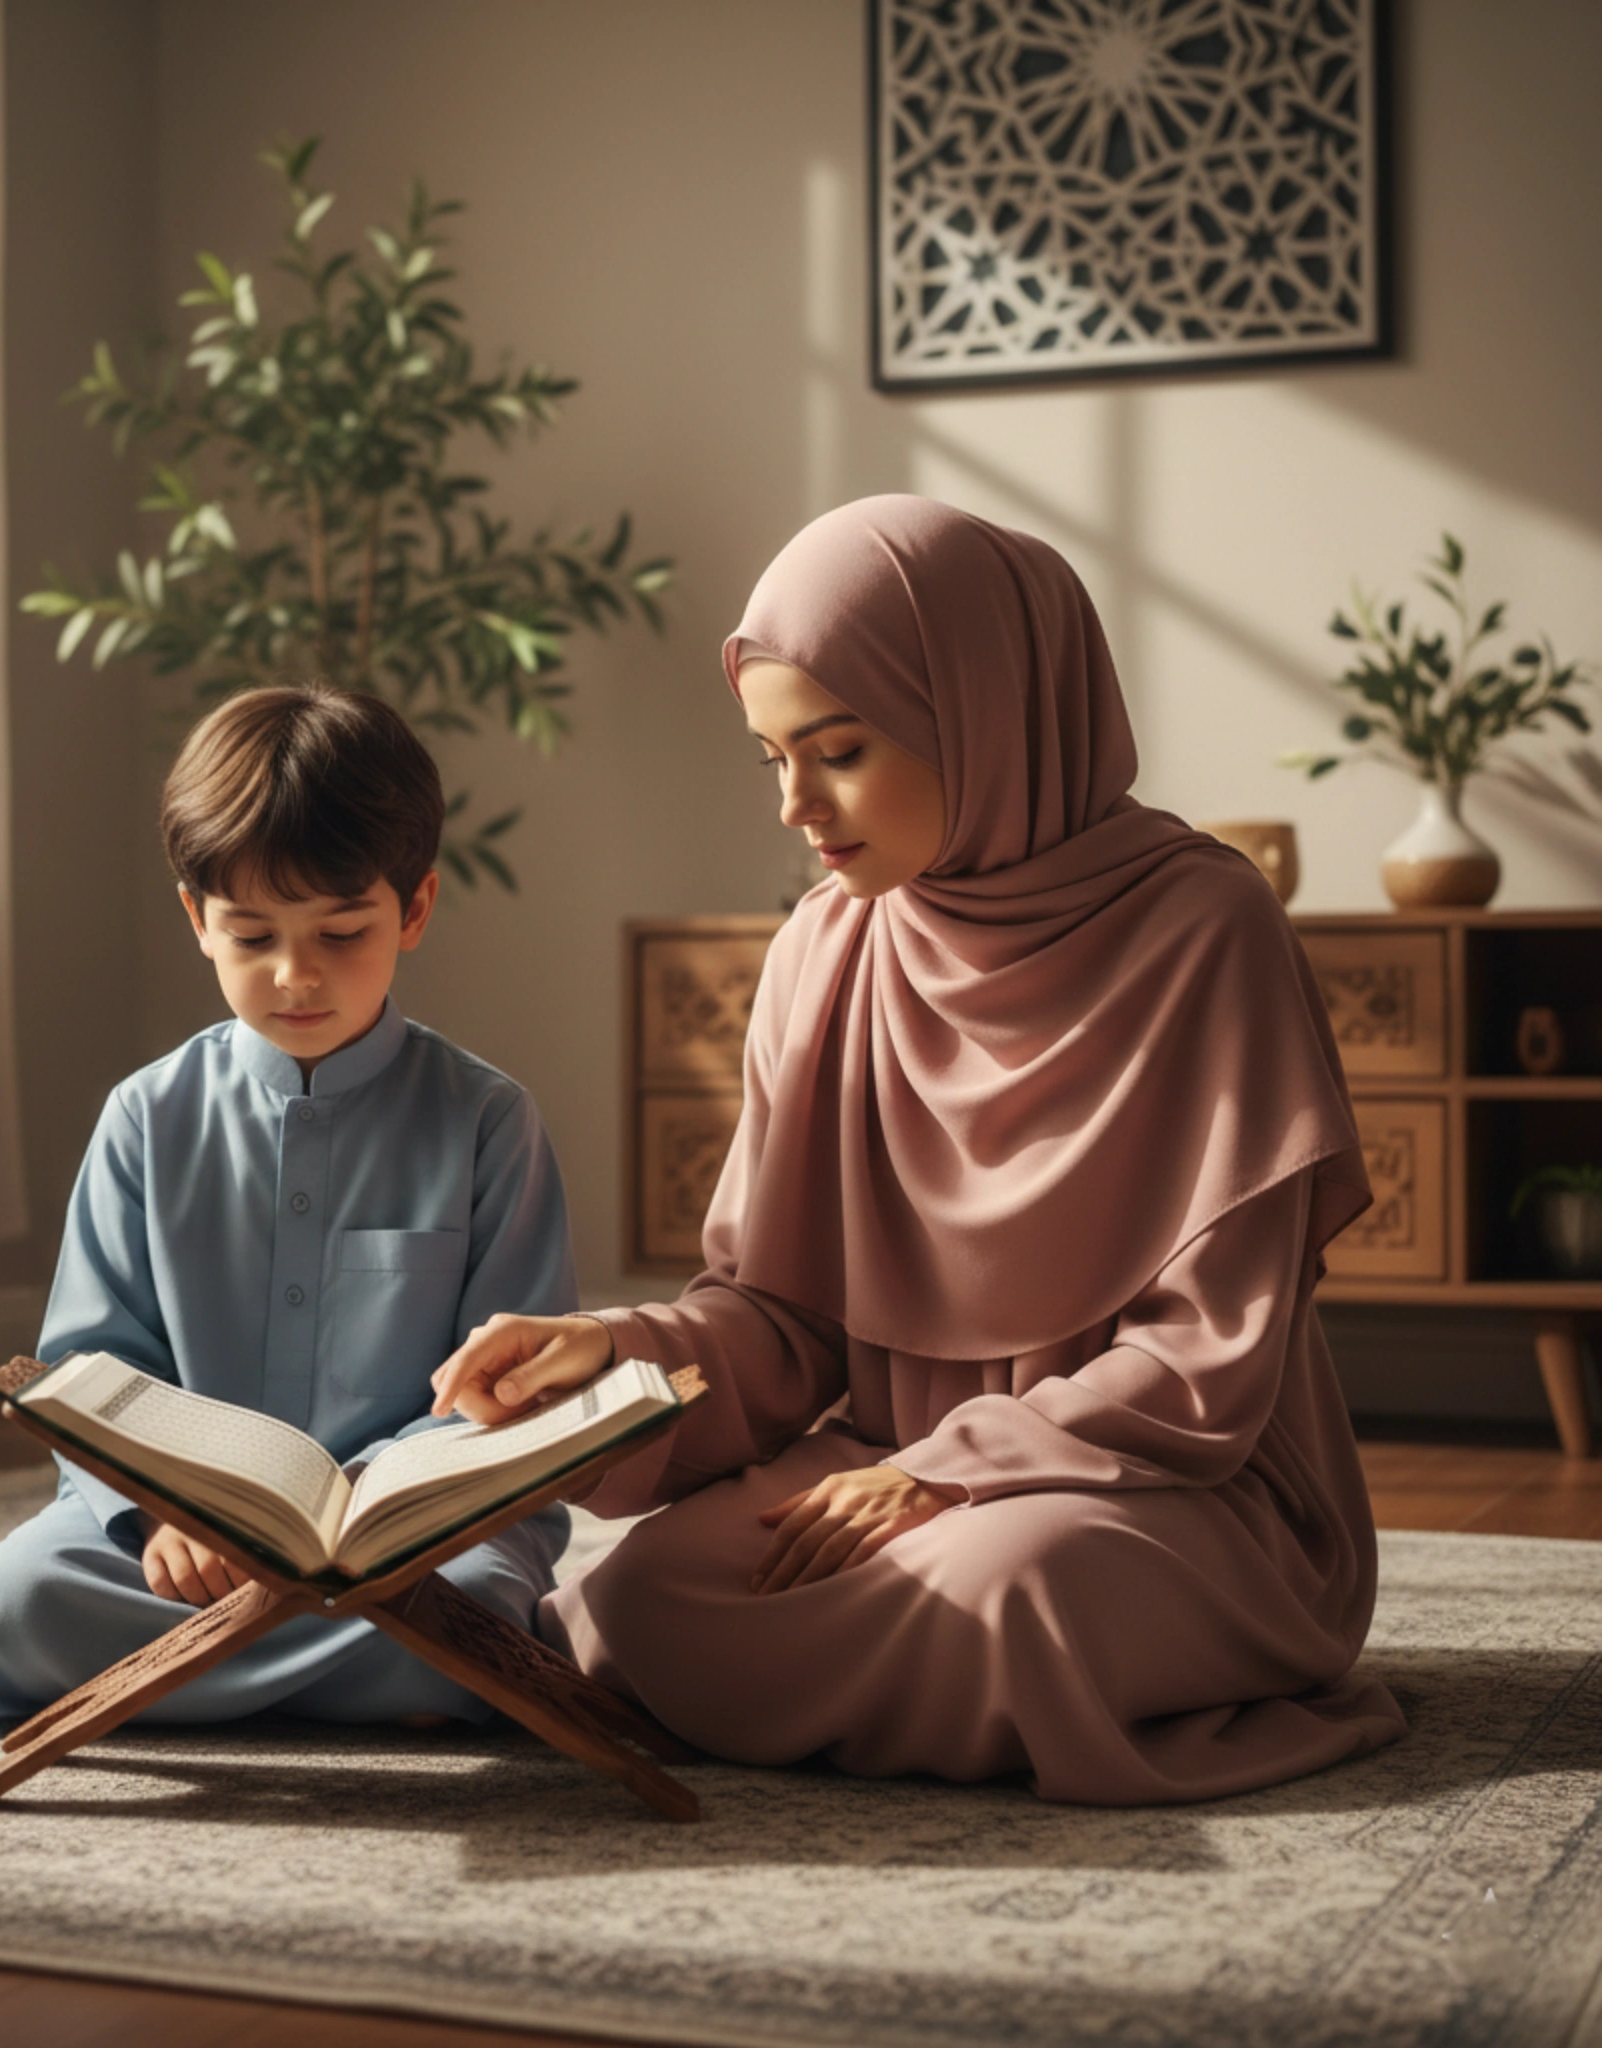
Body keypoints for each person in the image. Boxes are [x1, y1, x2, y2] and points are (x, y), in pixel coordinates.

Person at [432, 496, 1407, 1804]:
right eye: (770, 758)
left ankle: (953, 1672)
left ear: (989, 713)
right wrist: (617, 1353)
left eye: (836, 750)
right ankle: (928, 1693)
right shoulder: (824, 950)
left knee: (1012, 1592)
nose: (796, 805)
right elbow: (781, 1323)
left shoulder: (1206, 931)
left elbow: (1199, 1372)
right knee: (643, 1595)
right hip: (882, 1470)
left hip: (1174, 1491)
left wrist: (944, 1472)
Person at [0, 686, 577, 1736]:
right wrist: (163, 1516)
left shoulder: (487, 1120)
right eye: (252, 932)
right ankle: (333, 1673)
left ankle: (202, 1671)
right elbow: (92, 1368)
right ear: (196, 918)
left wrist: (371, 1516)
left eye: (341, 929)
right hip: (178, 1548)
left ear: (412, 908)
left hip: (419, 1542)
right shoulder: (144, 1116)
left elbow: (503, 1397)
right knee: (5, 1614)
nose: (295, 973)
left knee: (476, 1615)